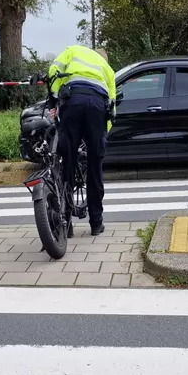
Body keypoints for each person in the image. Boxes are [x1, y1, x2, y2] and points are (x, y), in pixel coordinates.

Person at [48, 45, 116, 237]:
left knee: (67, 163)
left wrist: (55, 98)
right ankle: (96, 223)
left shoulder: (73, 50)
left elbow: (54, 71)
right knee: (95, 167)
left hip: (73, 101)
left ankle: (66, 223)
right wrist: (101, 137)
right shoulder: (107, 69)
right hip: (97, 106)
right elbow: (111, 108)